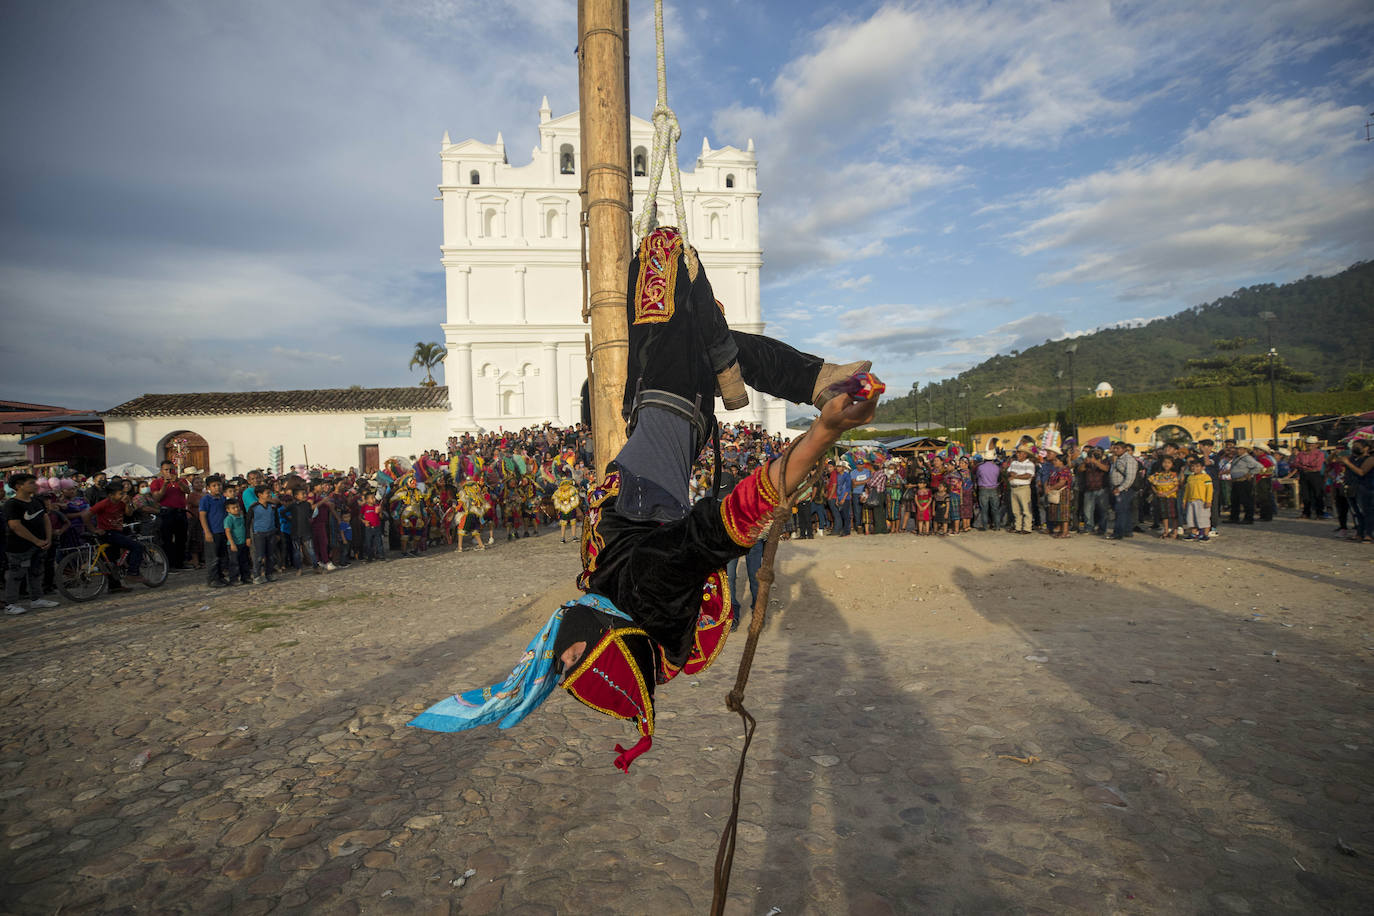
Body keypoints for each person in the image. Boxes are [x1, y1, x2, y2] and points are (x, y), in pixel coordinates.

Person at [410, 224, 875, 770]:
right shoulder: (648, 584)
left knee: (702, 328)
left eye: (561, 666)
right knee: (659, 254)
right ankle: (748, 364)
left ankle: (788, 372)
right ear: (610, 644)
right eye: (574, 660)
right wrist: (822, 435)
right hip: (665, 410)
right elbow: (721, 526)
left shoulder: (616, 603)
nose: (561, 656)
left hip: (659, 416)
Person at [5, 474, 59, 615]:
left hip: (39, 545)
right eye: (31, 483)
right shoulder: (12, 504)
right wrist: (36, 540)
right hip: (19, 547)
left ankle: (37, 599)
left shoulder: (36, 501)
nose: (35, 485)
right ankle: (10, 604)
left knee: (36, 572)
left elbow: (45, 519)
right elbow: (15, 526)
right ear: (19, 486)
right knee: (16, 575)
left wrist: (48, 538)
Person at [87, 483, 144, 589]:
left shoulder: (121, 503)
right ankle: (133, 573)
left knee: (112, 560)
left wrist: (128, 503)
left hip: (117, 532)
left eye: (123, 493)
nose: (123, 495)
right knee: (137, 546)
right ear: (111, 495)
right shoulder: (103, 504)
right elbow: (86, 515)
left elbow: (129, 514)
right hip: (108, 533)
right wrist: (94, 529)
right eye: (120, 493)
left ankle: (114, 586)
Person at [149, 461, 190, 569]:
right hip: (166, 512)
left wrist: (178, 482)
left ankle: (180, 563)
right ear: (161, 471)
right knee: (166, 539)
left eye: (171, 469)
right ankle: (169, 564)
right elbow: (157, 498)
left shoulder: (181, 480)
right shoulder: (156, 482)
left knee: (181, 538)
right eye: (166, 470)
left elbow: (187, 491)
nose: (169, 472)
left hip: (180, 512)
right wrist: (165, 484)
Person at [1333, 439, 1374, 543]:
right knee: (1355, 512)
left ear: (1366, 448)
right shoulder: (1352, 458)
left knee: (1366, 512)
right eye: (1354, 446)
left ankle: (1368, 534)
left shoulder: (1370, 459)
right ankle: (1359, 533)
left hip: (1365, 488)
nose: (1355, 448)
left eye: (1358, 446)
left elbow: (1361, 472)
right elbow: (1333, 461)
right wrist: (1337, 454)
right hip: (1351, 487)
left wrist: (1348, 463)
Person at [199, 476, 230, 587]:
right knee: (212, 557)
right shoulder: (205, 500)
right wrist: (207, 532)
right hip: (212, 532)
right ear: (208, 488)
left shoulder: (223, 498)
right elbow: (202, 516)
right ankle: (212, 579)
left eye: (219, 485)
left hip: (223, 531)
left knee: (222, 556)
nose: (217, 487)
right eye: (214, 486)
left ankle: (220, 576)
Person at [1108, 441, 1140, 540]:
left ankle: (1118, 532)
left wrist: (1120, 488)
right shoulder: (1116, 458)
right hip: (1116, 486)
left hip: (1125, 488)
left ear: (1124, 449)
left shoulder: (1129, 460)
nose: (1115, 450)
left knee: (1120, 510)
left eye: (1118, 448)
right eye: (1114, 448)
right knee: (1125, 510)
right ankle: (1127, 530)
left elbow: (1130, 478)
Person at [1292, 437, 1327, 519]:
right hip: (1304, 475)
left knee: (1317, 494)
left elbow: (1316, 465)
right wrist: (1307, 466)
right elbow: (1296, 463)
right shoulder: (1301, 454)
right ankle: (1306, 512)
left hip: (1315, 475)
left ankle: (1319, 513)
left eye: (1312, 444)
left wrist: (1304, 466)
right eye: (1308, 444)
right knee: (1305, 494)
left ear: (1316, 445)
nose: (1309, 446)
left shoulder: (1320, 454)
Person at [248, 485, 278, 583]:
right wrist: (248, 537)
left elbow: (276, 520)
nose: (270, 495)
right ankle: (257, 575)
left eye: (270, 493)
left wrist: (278, 533)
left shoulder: (272, 506)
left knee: (271, 555)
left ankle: (269, 574)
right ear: (260, 495)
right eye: (267, 493)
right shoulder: (253, 508)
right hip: (259, 534)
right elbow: (247, 523)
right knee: (259, 556)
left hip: (271, 532)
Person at [1148, 455, 1182, 539]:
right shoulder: (1158, 474)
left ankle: (1175, 531)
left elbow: (1176, 486)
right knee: (1164, 514)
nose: (1166, 464)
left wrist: (1167, 493)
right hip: (1161, 496)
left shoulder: (1174, 475)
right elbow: (1152, 484)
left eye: (1169, 463)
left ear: (1172, 464)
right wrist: (1156, 492)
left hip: (1171, 497)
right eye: (1164, 462)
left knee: (1173, 515)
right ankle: (1166, 531)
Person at [1228, 445, 1261, 525]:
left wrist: (1250, 473)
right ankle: (1234, 517)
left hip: (1243, 481)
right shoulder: (1236, 457)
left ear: (1245, 450)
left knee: (1246, 500)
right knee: (1234, 500)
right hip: (1236, 481)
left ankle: (1248, 518)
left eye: (1240, 449)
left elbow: (1259, 467)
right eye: (1237, 449)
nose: (1238, 450)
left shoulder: (1247, 458)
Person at [1182, 457, 1214, 541]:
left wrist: (1208, 501)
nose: (1194, 468)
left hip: (1201, 501)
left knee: (1203, 518)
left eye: (1197, 466)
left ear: (1203, 467)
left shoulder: (1206, 477)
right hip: (1191, 501)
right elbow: (1187, 490)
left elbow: (1209, 490)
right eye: (1193, 466)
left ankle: (1205, 534)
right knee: (1191, 518)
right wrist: (1184, 501)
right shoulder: (1190, 477)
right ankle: (1193, 533)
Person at [1007, 444, 1035, 534]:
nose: (1017, 454)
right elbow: (1009, 471)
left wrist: (1015, 476)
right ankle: (1018, 527)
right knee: (1015, 509)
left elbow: (1028, 475)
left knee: (1026, 509)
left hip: (1023, 488)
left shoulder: (1029, 464)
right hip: (1014, 488)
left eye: (1020, 452)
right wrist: (1012, 474)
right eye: (1017, 452)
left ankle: (1027, 527)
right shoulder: (1014, 463)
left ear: (1025, 454)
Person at [223, 500, 252, 585]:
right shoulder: (229, 519)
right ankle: (233, 579)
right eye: (233, 508)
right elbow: (227, 531)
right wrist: (232, 543)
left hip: (242, 542)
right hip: (233, 544)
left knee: (244, 561)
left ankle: (245, 577)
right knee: (234, 563)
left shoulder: (241, 516)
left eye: (237, 507)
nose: (236, 509)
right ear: (228, 510)